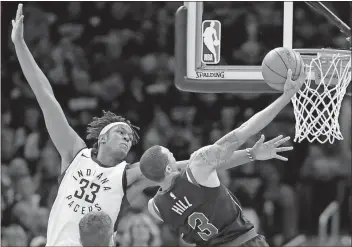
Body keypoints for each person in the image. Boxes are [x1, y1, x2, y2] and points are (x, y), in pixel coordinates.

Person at [11, 4, 287, 246]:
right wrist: (20, 46)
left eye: (130, 137)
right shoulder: (74, 153)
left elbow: (195, 165)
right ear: (102, 139)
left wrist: (251, 155)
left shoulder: (129, 175)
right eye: (120, 131)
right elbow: (45, 97)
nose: (127, 138)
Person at [139, 70, 305, 246]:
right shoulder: (198, 165)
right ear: (168, 168)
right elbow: (245, 129)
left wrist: (252, 154)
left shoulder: (155, 207)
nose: (174, 156)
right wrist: (286, 97)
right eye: (170, 155)